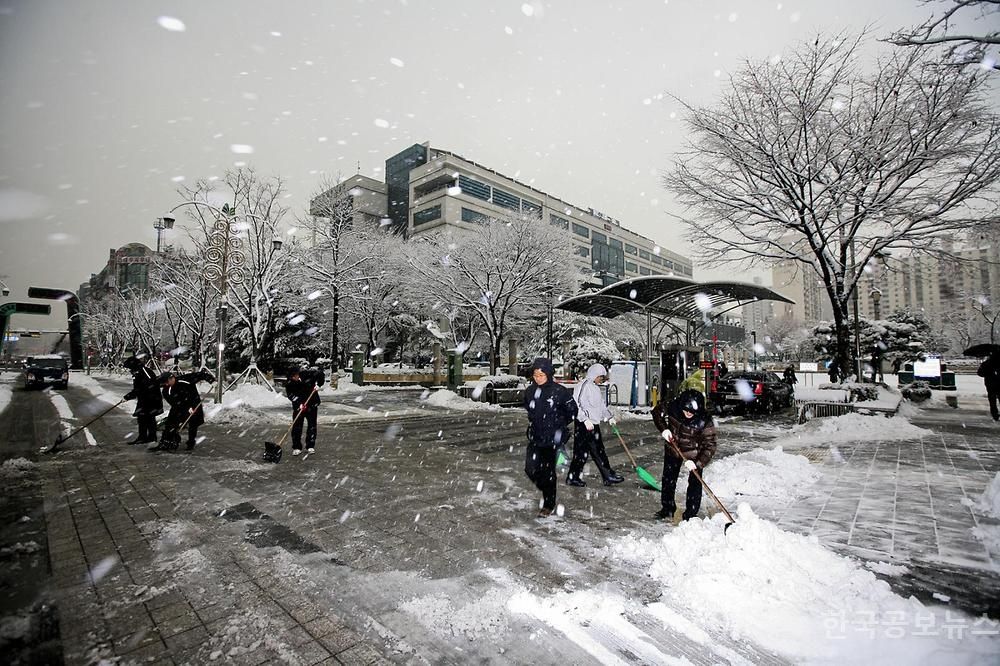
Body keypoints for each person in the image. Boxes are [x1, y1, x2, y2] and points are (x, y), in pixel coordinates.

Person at [651, 388, 718, 522]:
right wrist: (664, 430)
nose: (688, 413)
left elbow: (710, 446)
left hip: (695, 453)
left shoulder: (705, 421)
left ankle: (691, 514)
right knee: (668, 479)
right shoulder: (674, 406)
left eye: (692, 412)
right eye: (686, 410)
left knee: (695, 483)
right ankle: (668, 508)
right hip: (673, 449)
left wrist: (697, 463)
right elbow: (656, 412)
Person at [523, 357, 577, 517]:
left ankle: (549, 503)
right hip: (536, 436)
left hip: (552, 439)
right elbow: (529, 409)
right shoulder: (530, 391)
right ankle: (546, 488)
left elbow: (572, 411)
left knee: (548, 471)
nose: (538, 378)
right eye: (535, 375)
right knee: (530, 469)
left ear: (548, 374)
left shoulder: (559, 391)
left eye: (541, 375)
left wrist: (558, 424)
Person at [566, 363, 624, 487]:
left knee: (595, 451)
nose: (601, 379)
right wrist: (584, 419)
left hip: (593, 424)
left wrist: (609, 417)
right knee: (586, 452)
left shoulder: (596, 388)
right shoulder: (583, 386)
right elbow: (576, 404)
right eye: (600, 377)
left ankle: (605, 475)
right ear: (594, 374)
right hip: (584, 425)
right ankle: (604, 475)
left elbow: (601, 406)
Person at [152, 369, 213, 452]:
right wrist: (186, 408)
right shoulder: (166, 391)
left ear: (171, 378)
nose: (166, 384)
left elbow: (201, 374)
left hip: (194, 404)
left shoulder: (185, 379)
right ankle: (166, 442)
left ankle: (191, 443)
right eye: (164, 384)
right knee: (171, 423)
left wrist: (212, 381)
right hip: (179, 407)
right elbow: (174, 403)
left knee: (193, 424)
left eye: (167, 382)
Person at [122, 355, 163, 446]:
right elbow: (139, 388)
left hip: (151, 399)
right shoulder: (138, 372)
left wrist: (129, 396)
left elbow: (145, 387)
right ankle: (144, 437)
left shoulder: (144, 372)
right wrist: (131, 395)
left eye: (129, 368)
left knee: (149, 418)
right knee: (143, 418)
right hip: (144, 399)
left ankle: (150, 437)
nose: (129, 370)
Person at [286, 365, 325, 455]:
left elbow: (320, 374)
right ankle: (296, 447)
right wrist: (299, 404)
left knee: (312, 425)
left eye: (295, 375)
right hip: (299, 407)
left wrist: (319, 384)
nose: (294, 378)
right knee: (297, 426)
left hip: (311, 403)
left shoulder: (307, 375)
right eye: (292, 377)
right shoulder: (289, 384)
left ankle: (310, 446)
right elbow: (291, 396)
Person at [977, 351, 1000, 422]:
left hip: (990, 384)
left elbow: (980, 373)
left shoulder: (986, 363)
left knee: (992, 400)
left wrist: (987, 373)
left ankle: (995, 414)